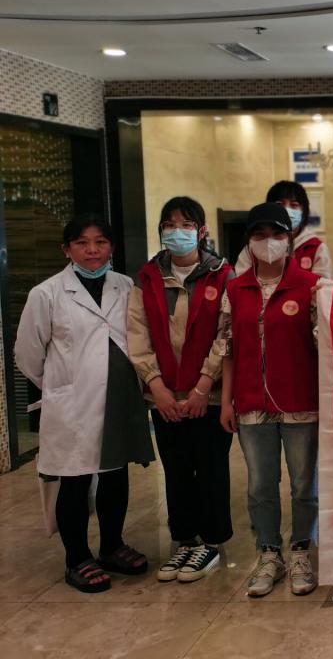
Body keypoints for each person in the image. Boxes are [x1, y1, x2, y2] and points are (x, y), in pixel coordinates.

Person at [15, 213, 154, 593]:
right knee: (74, 480)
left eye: (100, 242)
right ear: (67, 249)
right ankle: (76, 558)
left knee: (115, 474)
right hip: (72, 404)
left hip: (120, 398)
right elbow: (27, 354)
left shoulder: (125, 286)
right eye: (82, 243)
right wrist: (61, 386)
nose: (92, 250)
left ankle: (112, 546)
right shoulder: (46, 293)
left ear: (112, 247)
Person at [127, 197, 234, 582]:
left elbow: (227, 334)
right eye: (169, 225)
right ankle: (185, 541)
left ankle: (212, 542)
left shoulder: (222, 275)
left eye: (186, 224)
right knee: (175, 469)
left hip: (210, 394)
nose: (177, 232)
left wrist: (203, 386)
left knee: (210, 467)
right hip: (164, 396)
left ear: (201, 232)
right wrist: (156, 386)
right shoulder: (146, 278)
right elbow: (136, 334)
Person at [217, 203, 320, 598]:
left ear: (289, 239)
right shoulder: (235, 288)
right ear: (249, 242)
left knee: (303, 485)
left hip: (300, 403)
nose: (269, 242)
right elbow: (226, 348)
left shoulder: (311, 286)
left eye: (277, 234)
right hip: (251, 403)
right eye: (260, 235)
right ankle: (269, 554)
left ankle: (301, 552)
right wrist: (226, 402)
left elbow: (324, 346)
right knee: (260, 485)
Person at [236, 181, 333, 278]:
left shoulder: (315, 247)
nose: (286, 210)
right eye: (279, 204)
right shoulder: (255, 245)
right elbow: (240, 280)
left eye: (294, 205)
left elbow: (322, 284)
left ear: (304, 211)